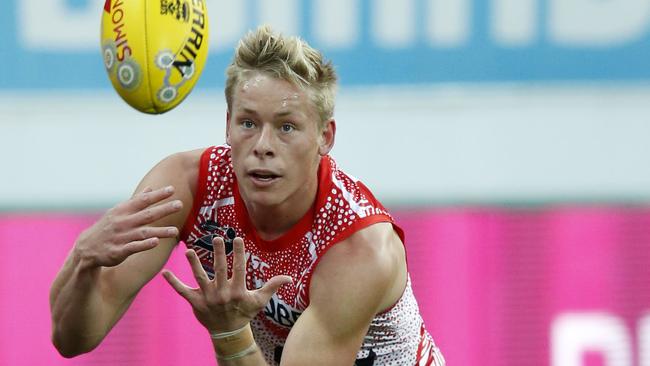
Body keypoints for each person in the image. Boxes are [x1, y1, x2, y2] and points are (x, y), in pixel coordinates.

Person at [49, 25, 445, 365]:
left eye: (286, 127)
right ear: (227, 126)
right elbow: (71, 340)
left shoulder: (358, 248)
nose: (263, 146)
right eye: (248, 123)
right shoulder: (186, 186)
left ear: (326, 137)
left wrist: (230, 332)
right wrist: (84, 259)